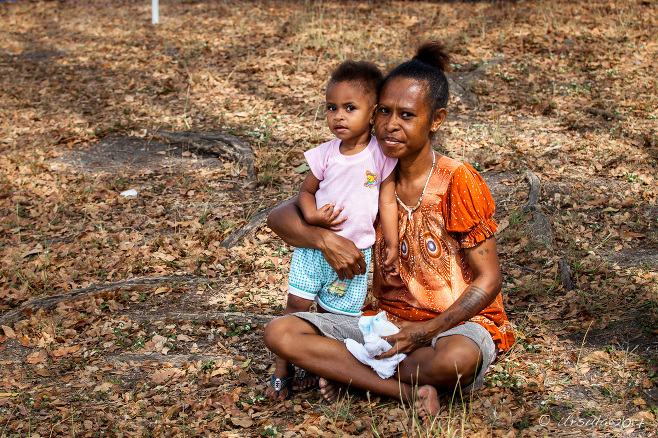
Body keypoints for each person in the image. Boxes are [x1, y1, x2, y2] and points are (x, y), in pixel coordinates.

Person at [264, 41, 515, 418]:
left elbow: (489, 278)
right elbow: (279, 216)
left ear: (437, 120)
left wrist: (427, 331)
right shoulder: (364, 174)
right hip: (381, 321)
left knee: (457, 361)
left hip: (453, 325)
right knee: (280, 332)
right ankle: (401, 390)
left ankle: (347, 372)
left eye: (407, 115)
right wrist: (324, 240)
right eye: (384, 111)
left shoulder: (456, 180)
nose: (391, 125)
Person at [265, 60, 399, 400]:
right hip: (313, 252)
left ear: (372, 114)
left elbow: (386, 203)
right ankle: (282, 367)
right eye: (331, 108)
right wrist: (312, 218)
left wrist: (393, 243)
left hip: (357, 256)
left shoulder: (380, 156)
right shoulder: (325, 154)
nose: (338, 116)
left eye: (349, 108)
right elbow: (306, 192)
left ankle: (317, 364)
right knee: (296, 305)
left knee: (335, 319)